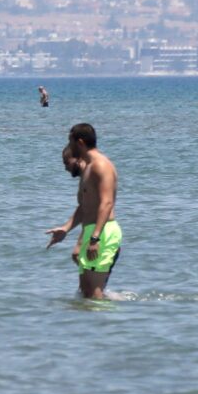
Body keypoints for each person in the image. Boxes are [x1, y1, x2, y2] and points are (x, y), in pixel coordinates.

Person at [45, 122, 120, 300]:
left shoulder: (101, 165)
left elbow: (106, 203)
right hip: (91, 231)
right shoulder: (88, 168)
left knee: (94, 294)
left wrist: (95, 237)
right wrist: (65, 228)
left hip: (102, 232)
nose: (69, 147)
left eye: (70, 142)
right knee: (86, 293)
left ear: (80, 142)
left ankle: (108, 326)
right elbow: (85, 206)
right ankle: (86, 327)